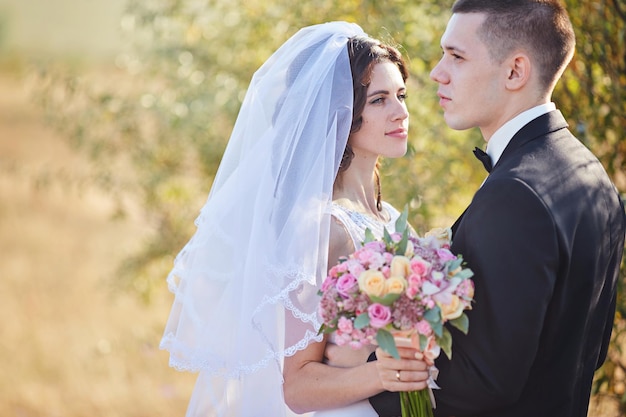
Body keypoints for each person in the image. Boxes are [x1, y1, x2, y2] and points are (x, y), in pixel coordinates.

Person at [366, 1, 626, 416]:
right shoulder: (590, 173)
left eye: (456, 56)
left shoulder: (516, 194)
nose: (437, 72)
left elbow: (482, 383)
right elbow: (590, 352)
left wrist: (361, 381)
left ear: (515, 71)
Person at [159, 21, 428, 417]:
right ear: (340, 113)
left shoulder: (386, 217)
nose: (401, 112)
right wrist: (386, 375)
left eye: (401, 96)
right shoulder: (324, 229)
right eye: (379, 100)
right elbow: (297, 386)